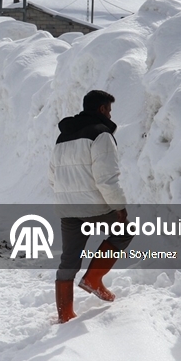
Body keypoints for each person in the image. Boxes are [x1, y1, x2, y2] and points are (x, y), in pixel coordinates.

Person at [49, 90, 134, 323]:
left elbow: (52, 175)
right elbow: (106, 178)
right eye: (108, 109)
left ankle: (65, 314)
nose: (109, 113)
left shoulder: (62, 137)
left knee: (69, 259)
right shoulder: (101, 135)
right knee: (125, 231)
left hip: (67, 208)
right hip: (94, 206)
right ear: (101, 109)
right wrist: (119, 206)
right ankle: (93, 279)